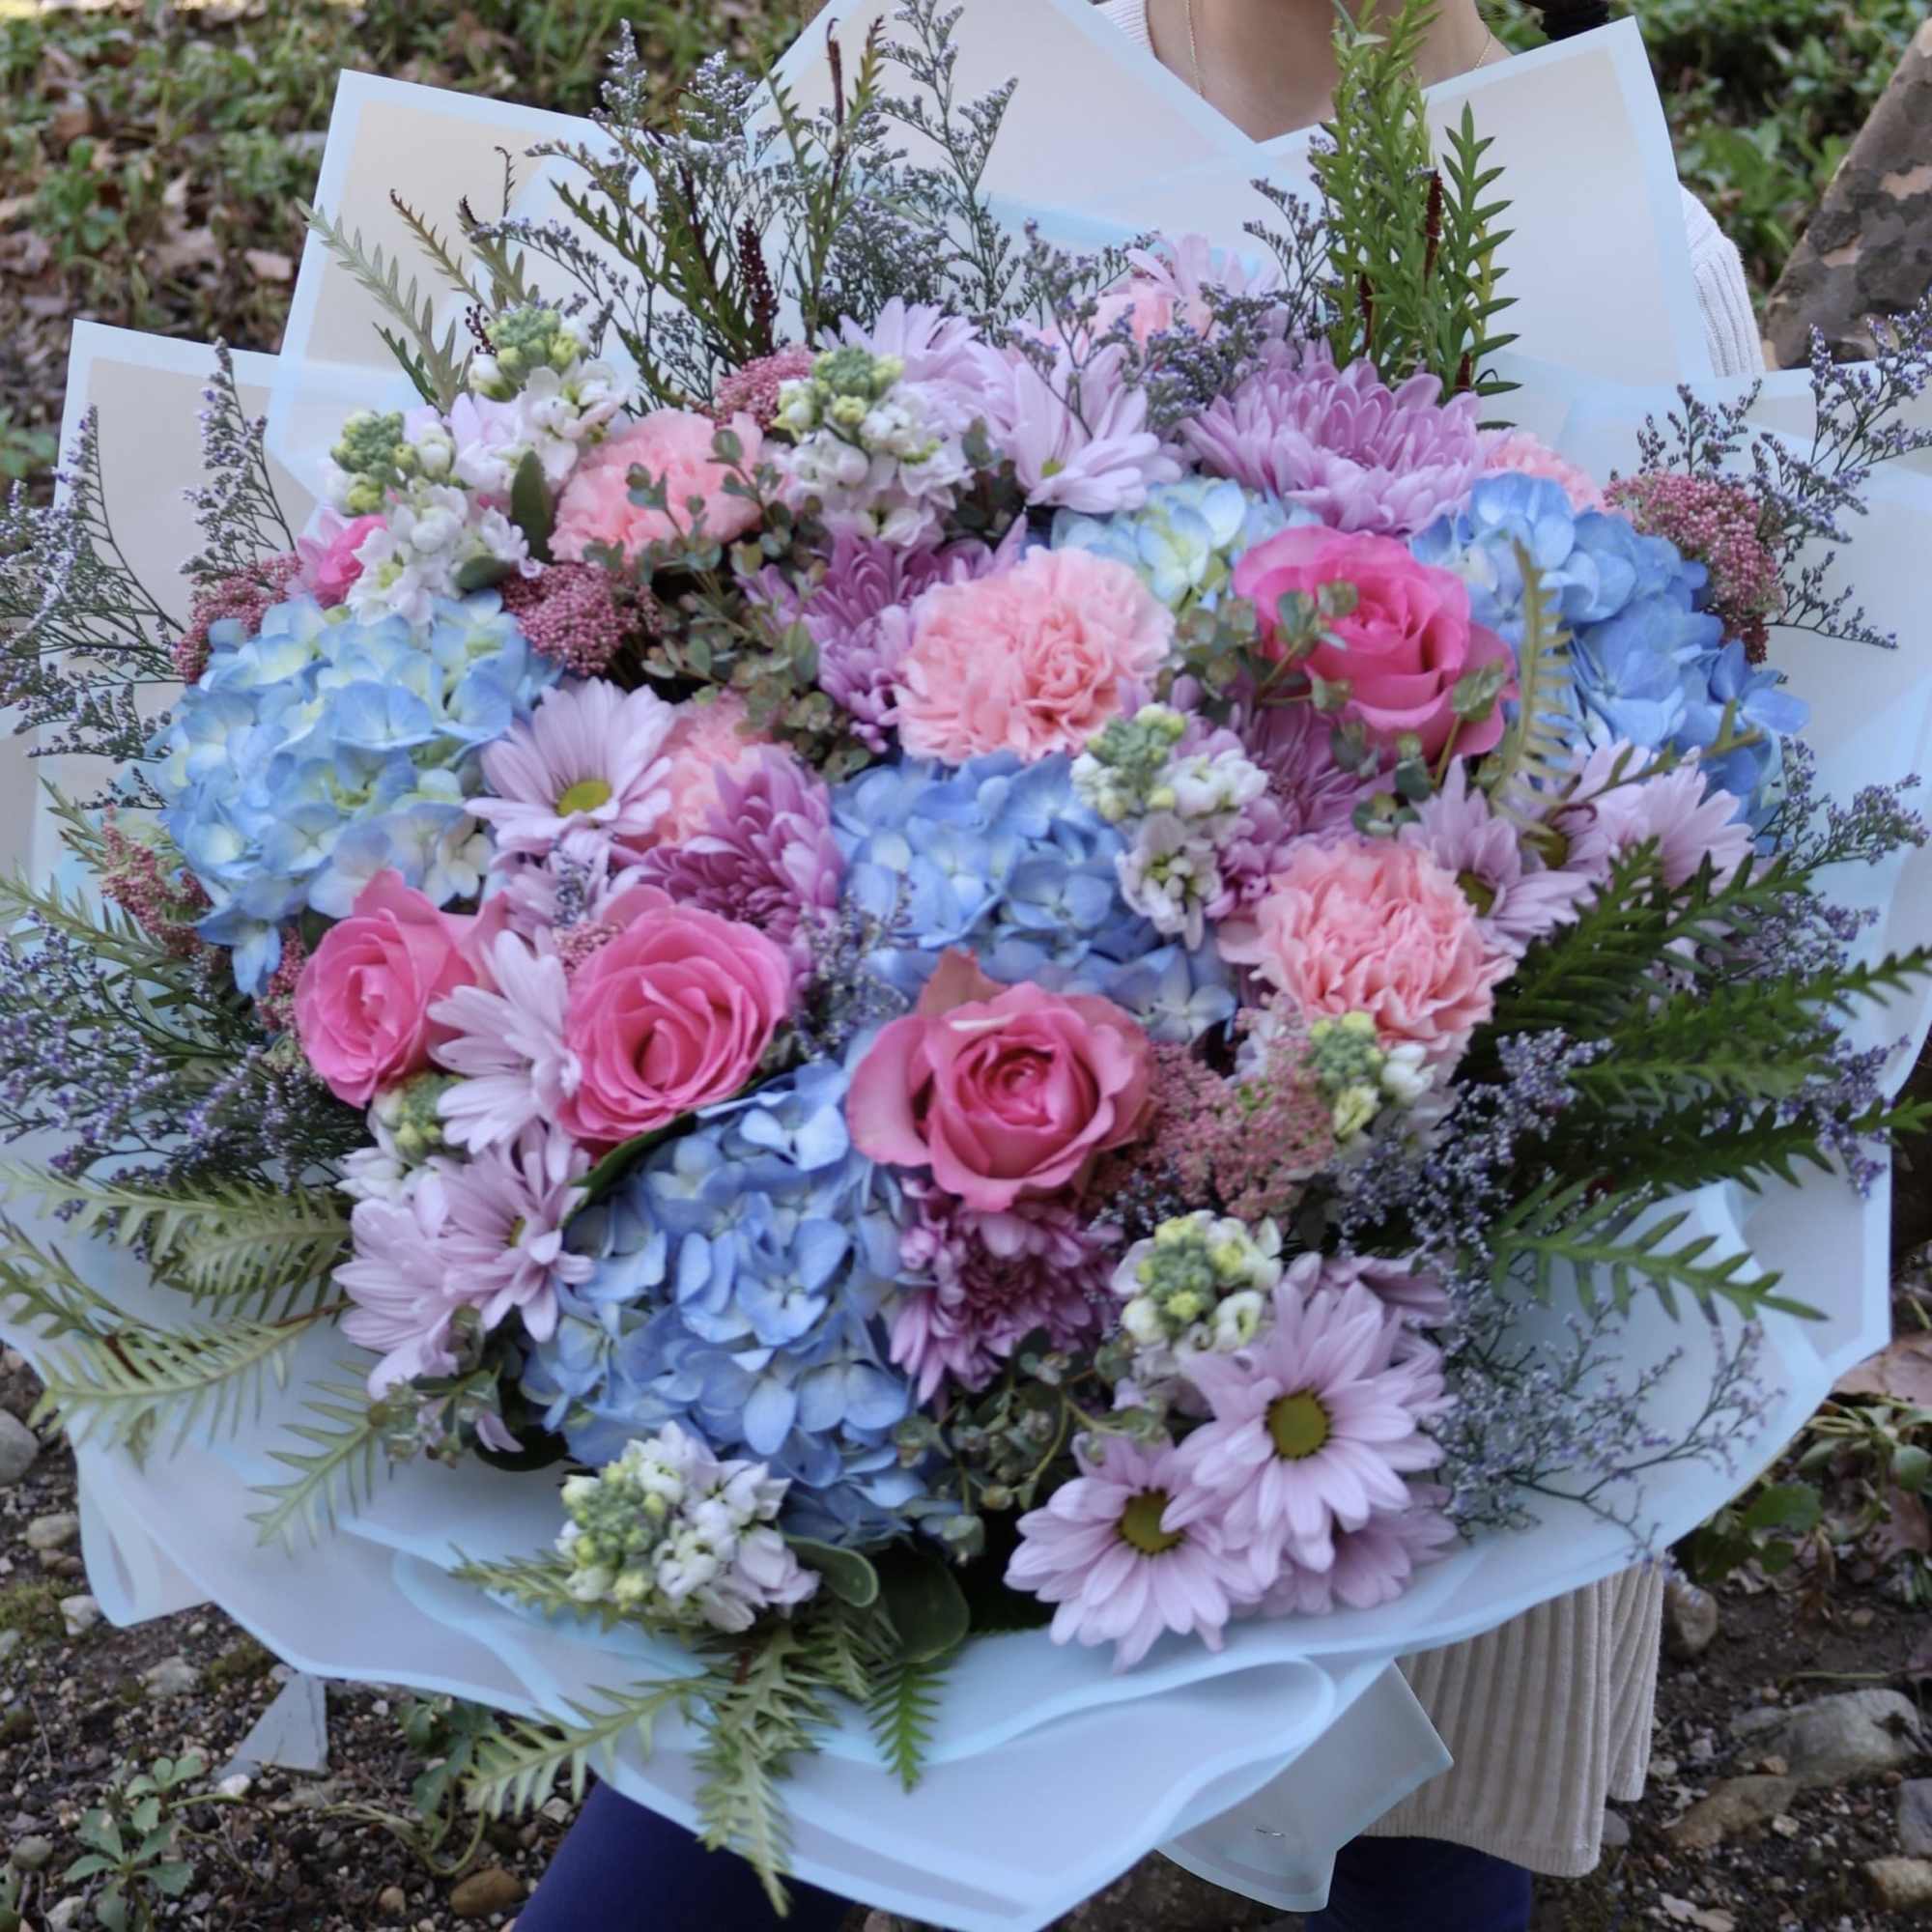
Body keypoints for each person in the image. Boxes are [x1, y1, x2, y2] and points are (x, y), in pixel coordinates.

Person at [519, 8, 1765, 1929]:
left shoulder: (1622, 237)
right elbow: (701, 609)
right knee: (714, 1817)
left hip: (1410, 1272)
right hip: (882, 1245)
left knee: (1417, 1840)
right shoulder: (906, 85)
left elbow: (1701, 856)